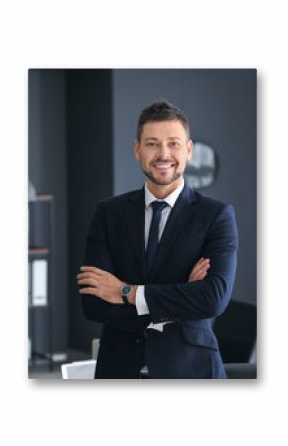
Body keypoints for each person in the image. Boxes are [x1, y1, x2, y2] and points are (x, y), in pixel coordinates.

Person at [77, 100, 238, 379]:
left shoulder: (216, 216)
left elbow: (213, 299)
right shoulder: (108, 213)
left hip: (191, 373)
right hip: (119, 372)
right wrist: (183, 296)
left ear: (189, 150)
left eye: (174, 144)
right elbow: (92, 302)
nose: (163, 154)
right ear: (137, 149)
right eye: (152, 144)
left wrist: (126, 292)